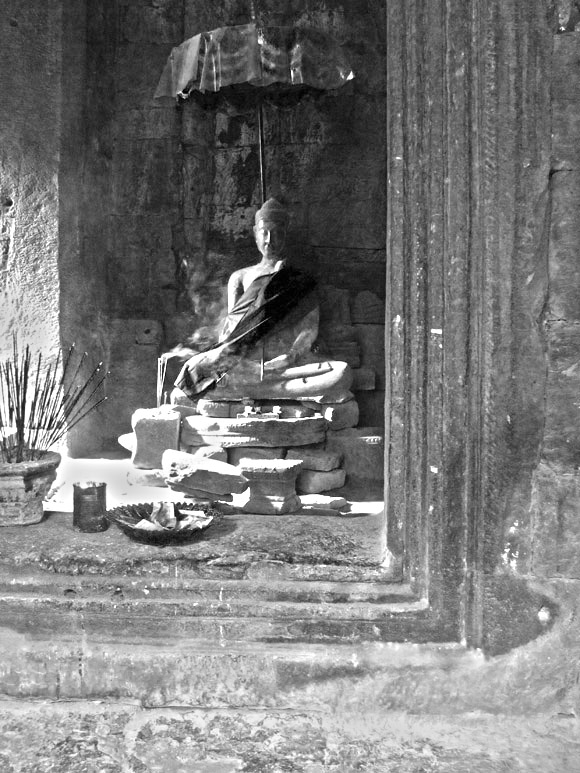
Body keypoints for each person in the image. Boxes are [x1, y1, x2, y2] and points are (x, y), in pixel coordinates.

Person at [172, 197, 352, 402]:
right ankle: (276, 392)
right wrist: (236, 360)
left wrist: (291, 356)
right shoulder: (240, 277)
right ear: (255, 235)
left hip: (286, 364)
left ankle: (250, 391)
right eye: (264, 233)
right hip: (244, 364)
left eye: (276, 234)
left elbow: (309, 328)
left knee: (341, 372)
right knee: (194, 373)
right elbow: (234, 331)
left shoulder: (300, 280)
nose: (269, 241)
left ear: (285, 237)